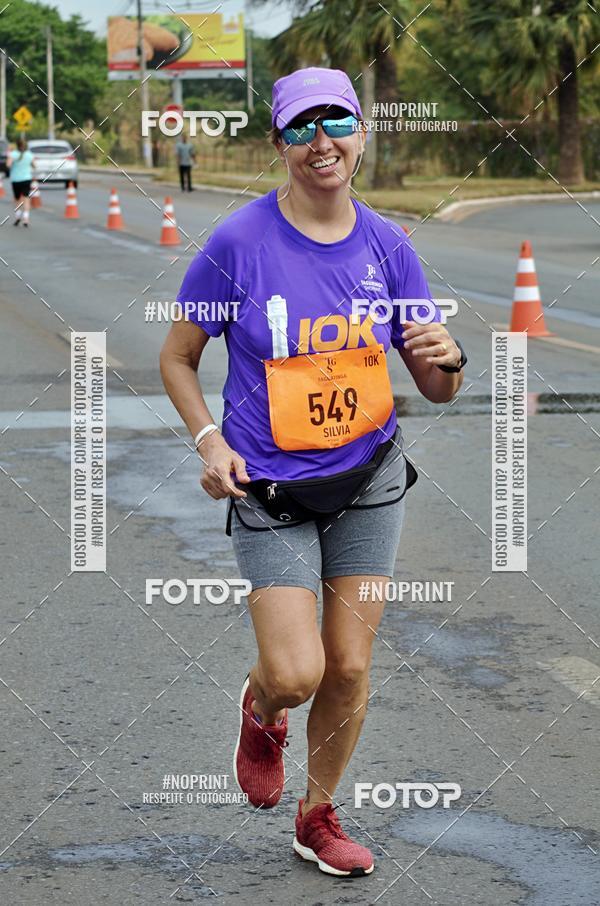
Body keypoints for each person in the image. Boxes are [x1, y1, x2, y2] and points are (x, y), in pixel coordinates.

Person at [160, 67, 466, 878]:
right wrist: (208, 442)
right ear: (279, 145)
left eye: (336, 123)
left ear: (362, 133)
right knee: (298, 673)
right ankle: (263, 710)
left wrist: (449, 360)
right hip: (269, 487)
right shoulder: (238, 243)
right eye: (301, 128)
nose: (320, 142)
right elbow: (179, 356)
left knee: (352, 663)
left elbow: (435, 383)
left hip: (367, 476)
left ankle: (318, 815)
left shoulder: (390, 246)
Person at [9, 138, 36, 228]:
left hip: (15, 180)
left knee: (17, 199)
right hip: (26, 179)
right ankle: (26, 219)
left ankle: (17, 216)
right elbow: (34, 165)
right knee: (26, 199)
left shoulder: (13, 154)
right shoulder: (29, 155)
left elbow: (8, 165)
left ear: (17, 145)